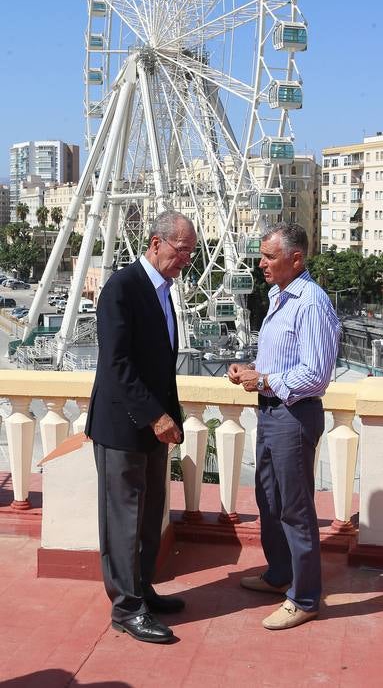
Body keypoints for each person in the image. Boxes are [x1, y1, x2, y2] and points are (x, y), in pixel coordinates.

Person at [85, 210, 197, 644]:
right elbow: (116, 364)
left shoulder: (164, 290)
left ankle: (142, 590)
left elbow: (161, 364)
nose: (186, 258)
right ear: (155, 243)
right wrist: (155, 415)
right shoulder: (122, 289)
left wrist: (171, 414)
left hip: (153, 427)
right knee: (122, 519)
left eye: (190, 251)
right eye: (180, 249)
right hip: (122, 427)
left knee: (150, 516)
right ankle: (126, 608)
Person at [228, 223, 340, 631]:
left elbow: (316, 374)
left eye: (269, 257)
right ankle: (280, 574)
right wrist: (252, 371)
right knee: (269, 497)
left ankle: (305, 596)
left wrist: (268, 380)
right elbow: (285, 362)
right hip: (271, 412)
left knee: (295, 509)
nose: (261, 264)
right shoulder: (278, 296)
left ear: (296, 259)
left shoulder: (311, 303)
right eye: (261, 256)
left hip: (295, 415)